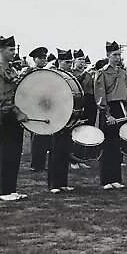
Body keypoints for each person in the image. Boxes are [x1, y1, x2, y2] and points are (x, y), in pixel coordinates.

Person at [0, 36, 28, 201]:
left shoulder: (12, 70)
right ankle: (2, 191)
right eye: (10, 50)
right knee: (4, 153)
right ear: (1, 50)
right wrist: (16, 111)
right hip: (4, 115)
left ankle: (11, 188)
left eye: (14, 49)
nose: (13, 53)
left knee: (15, 152)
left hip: (14, 116)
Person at [94, 41, 127, 190]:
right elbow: (100, 96)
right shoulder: (102, 73)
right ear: (107, 55)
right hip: (109, 110)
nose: (117, 58)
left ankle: (116, 178)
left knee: (118, 145)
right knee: (108, 145)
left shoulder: (123, 73)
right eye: (114, 55)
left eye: (119, 55)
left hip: (121, 109)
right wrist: (107, 114)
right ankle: (106, 180)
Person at [47, 49, 75, 193]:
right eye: (66, 62)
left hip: (67, 115)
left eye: (71, 62)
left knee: (65, 150)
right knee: (56, 150)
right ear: (59, 62)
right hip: (55, 116)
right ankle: (53, 184)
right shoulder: (53, 76)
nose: (69, 65)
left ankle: (63, 182)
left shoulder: (69, 76)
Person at [70, 49, 96, 170]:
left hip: (90, 101)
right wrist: (85, 72)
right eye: (79, 59)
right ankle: (73, 159)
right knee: (76, 130)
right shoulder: (73, 73)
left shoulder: (89, 74)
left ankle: (82, 158)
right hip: (79, 101)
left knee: (87, 129)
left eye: (83, 60)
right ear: (74, 60)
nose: (82, 62)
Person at [27, 47, 51, 173]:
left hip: (44, 106)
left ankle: (41, 163)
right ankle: (35, 164)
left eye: (44, 58)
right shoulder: (29, 72)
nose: (43, 60)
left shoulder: (46, 73)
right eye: (40, 58)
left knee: (43, 134)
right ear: (34, 59)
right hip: (33, 106)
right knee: (36, 135)